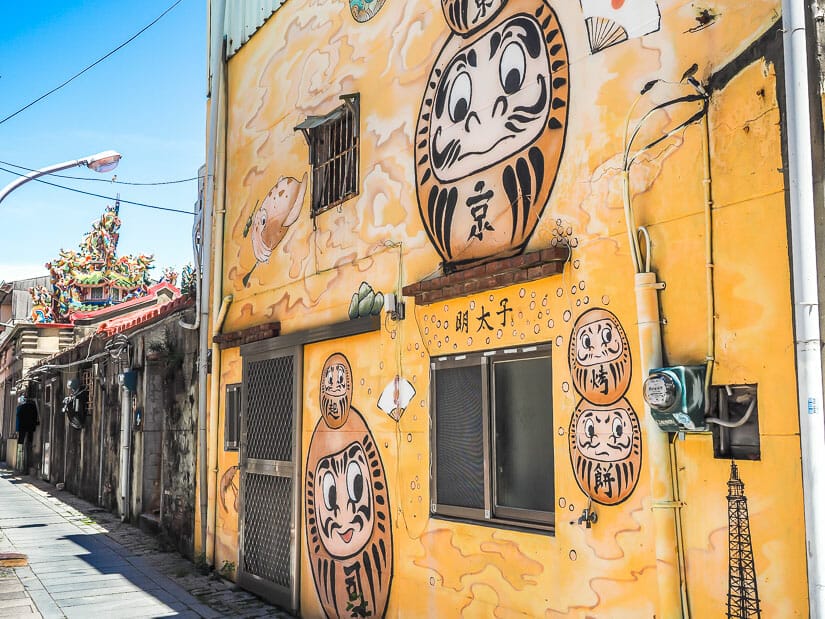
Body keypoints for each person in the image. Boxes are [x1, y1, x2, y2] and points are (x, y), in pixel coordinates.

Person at [15, 395, 39, 471]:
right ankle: (28, 463)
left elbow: (18, 417)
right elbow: (35, 416)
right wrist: (35, 423)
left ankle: (20, 464)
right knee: (29, 442)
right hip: (31, 427)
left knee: (21, 443)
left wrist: (17, 429)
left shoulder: (21, 408)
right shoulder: (33, 407)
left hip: (22, 427)